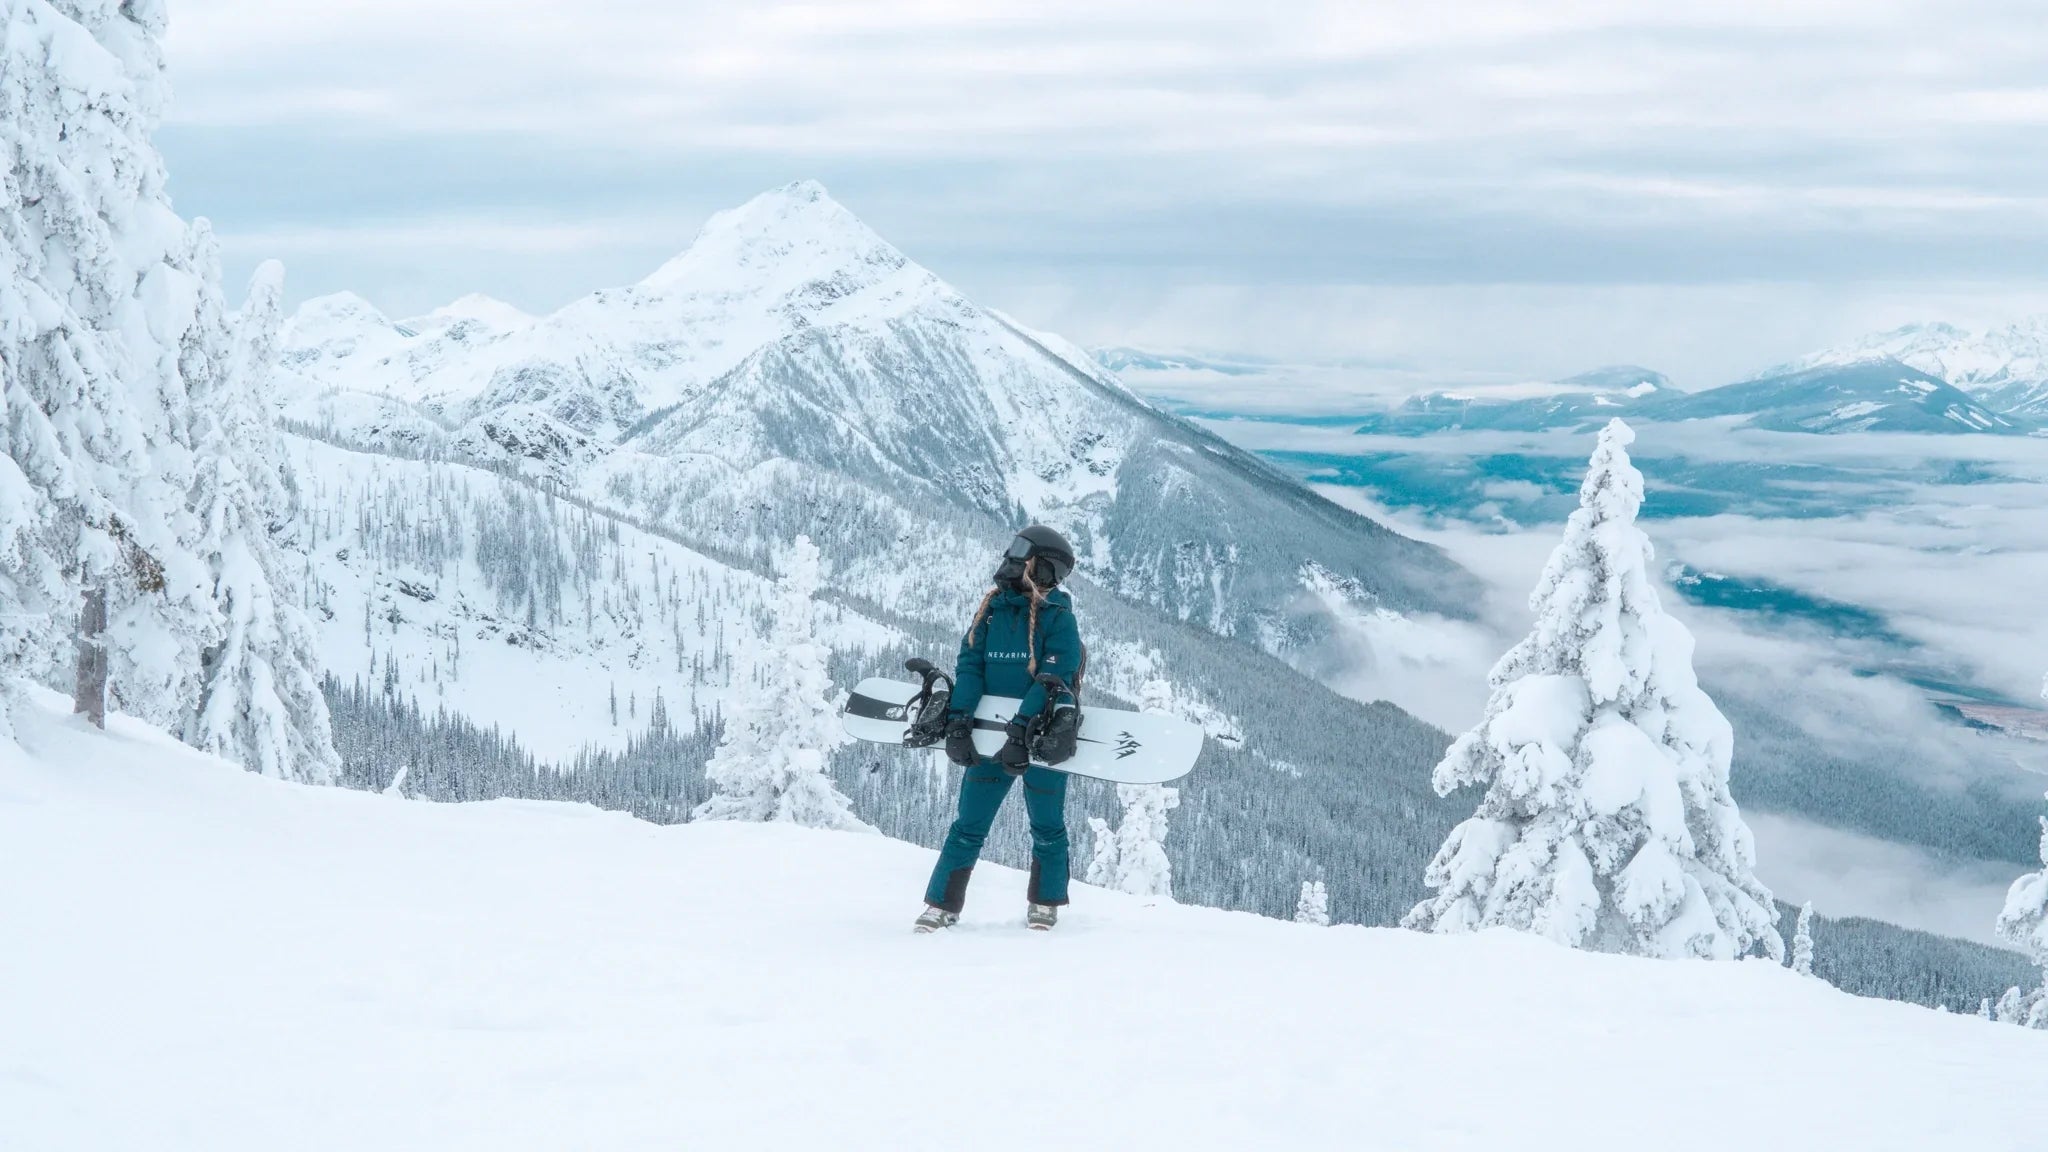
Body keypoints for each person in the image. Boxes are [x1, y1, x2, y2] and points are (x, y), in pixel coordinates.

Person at [916, 525, 1084, 932]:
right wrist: (958, 723)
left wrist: (1021, 731)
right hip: (990, 736)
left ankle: (1045, 903)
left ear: (1042, 565)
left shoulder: (1059, 618)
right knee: (968, 824)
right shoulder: (991, 611)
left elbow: (1052, 676)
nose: (1011, 558)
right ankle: (942, 905)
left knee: (1046, 825)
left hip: (1039, 738)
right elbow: (970, 667)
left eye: (1022, 552)